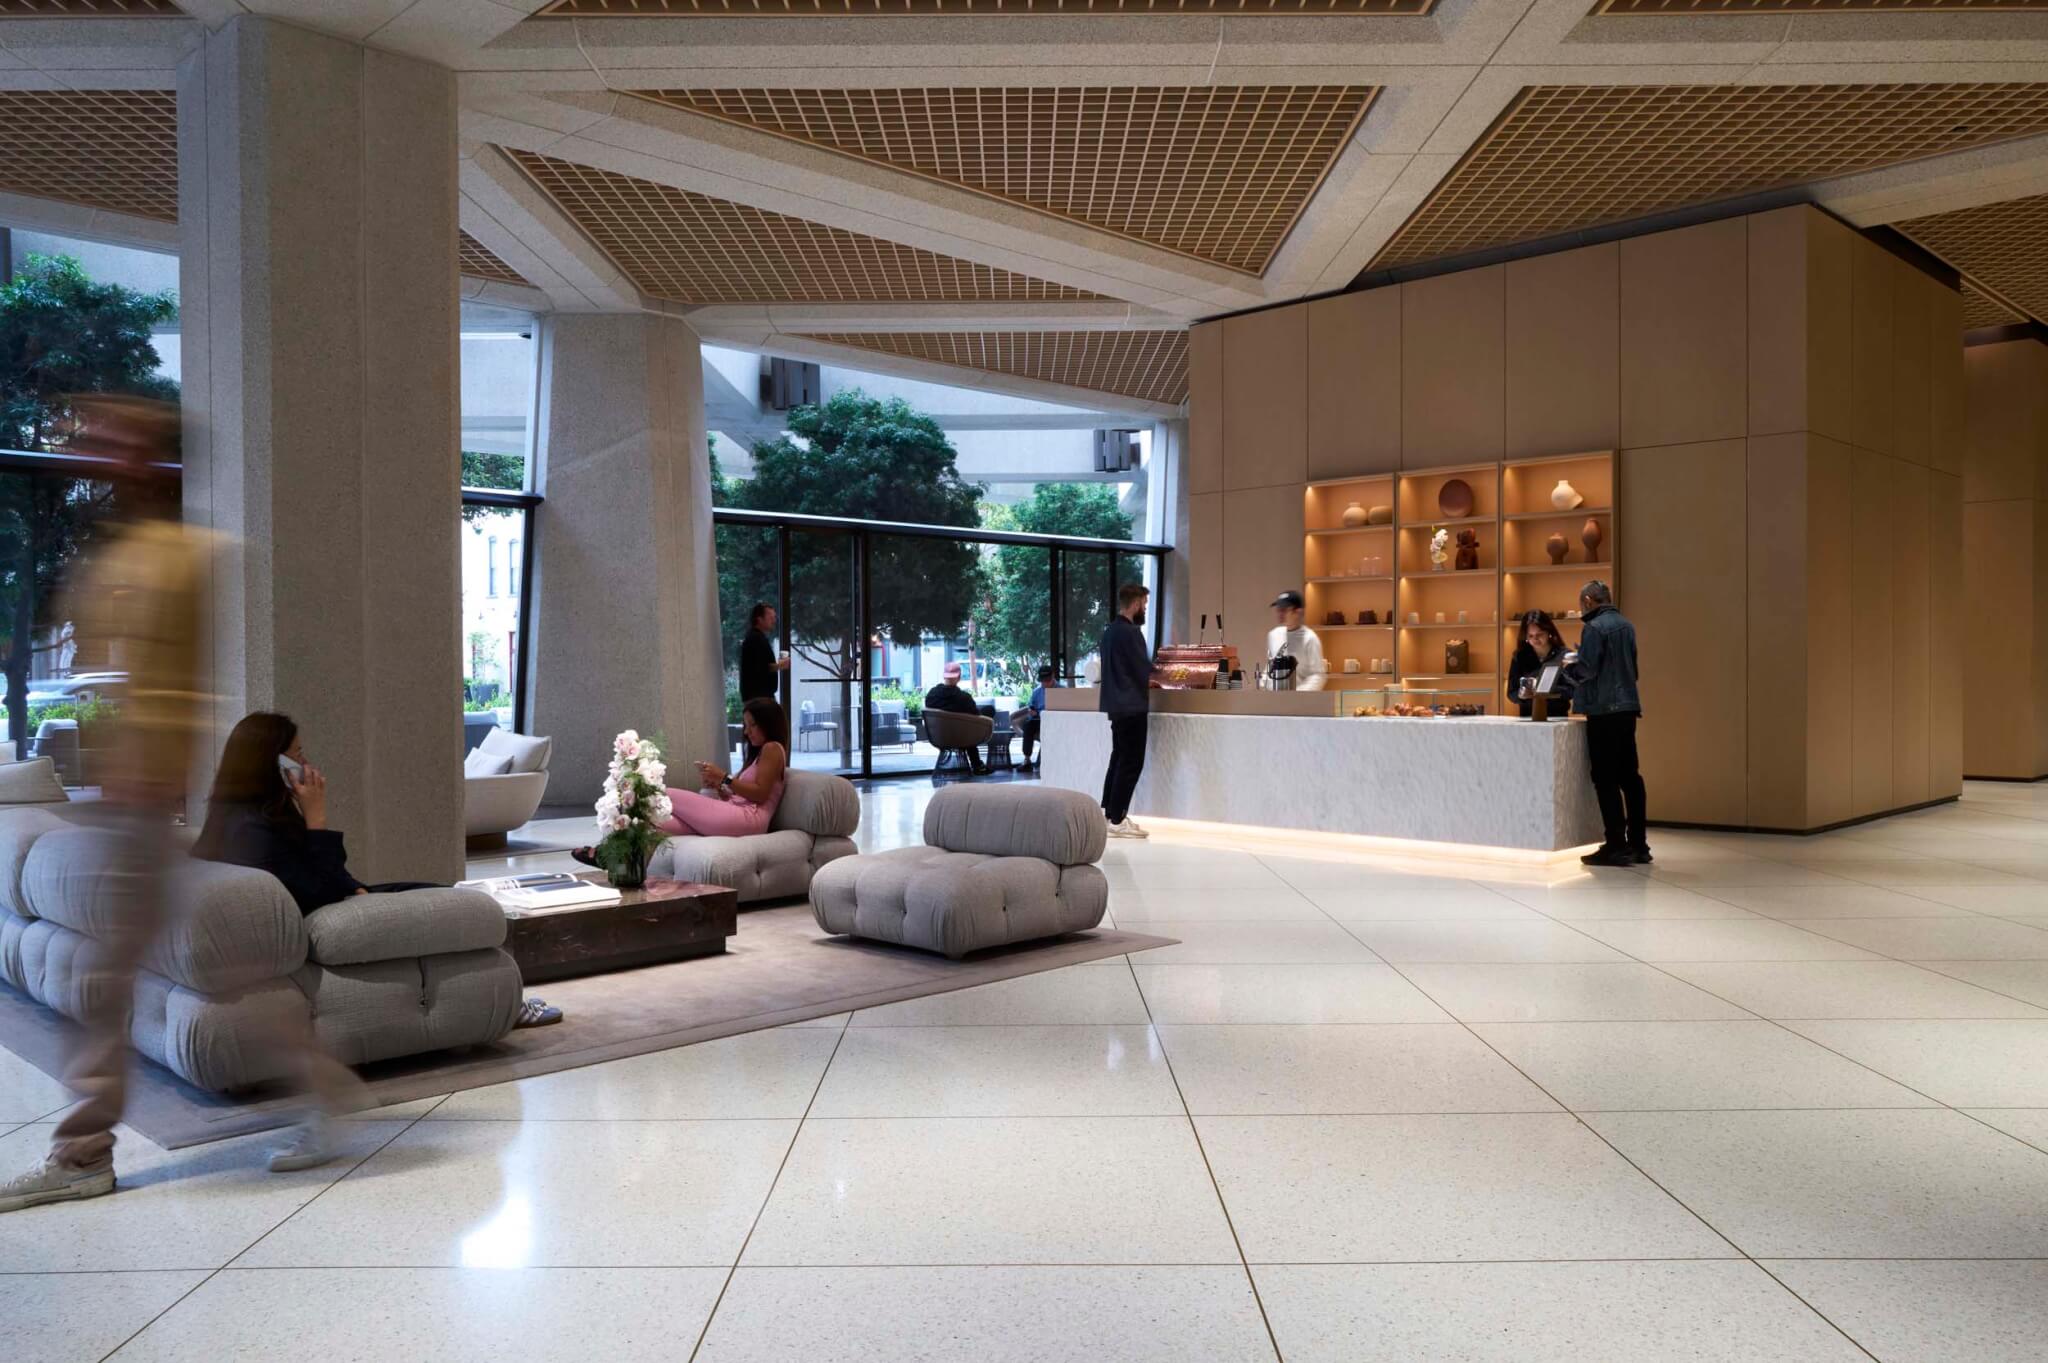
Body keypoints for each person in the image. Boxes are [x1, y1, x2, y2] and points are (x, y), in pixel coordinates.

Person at [0, 396, 359, 1213]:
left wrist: (146, 788)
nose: (91, 449)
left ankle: (83, 1150)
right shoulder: (118, 556)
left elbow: (170, 691)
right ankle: (323, 1087)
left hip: (138, 807)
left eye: (111, 439)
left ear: (147, 458)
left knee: (108, 983)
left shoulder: (179, 557)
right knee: (205, 973)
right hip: (123, 808)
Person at [193, 712, 563, 1027]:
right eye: (298, 754)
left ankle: (500, 999)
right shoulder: (255, 828)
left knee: (445, 893)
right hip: (321, 910)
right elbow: (314, 886)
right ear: (275, 764)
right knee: (467, 906)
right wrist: (317, 816)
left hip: (334, 898)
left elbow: (318, 874)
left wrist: (354, 887)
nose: (306, 763)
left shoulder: (237, 816)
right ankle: (508, 1006)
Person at [1565, 581, 1648, 868]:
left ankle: (1615, 844)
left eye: (1581, 602)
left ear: (1589, 600)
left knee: (1605, 778)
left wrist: (1570, 667)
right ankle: (1639, 844)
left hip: (1603, 710)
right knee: (1630, 777)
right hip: (1627, 707)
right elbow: (1632, 669)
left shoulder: (1594, 628)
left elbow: (1588, 668)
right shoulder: (1627, 626)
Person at [668, 697, 790, 837]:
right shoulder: (759, 755)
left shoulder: (772, 748)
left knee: (665, 795)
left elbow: (760, 794)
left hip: (750, 818)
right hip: (737, 812)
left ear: (769, 723)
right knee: (658, 823)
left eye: (753, 725)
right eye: (745, 725)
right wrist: (719, 787)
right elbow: (743, 795)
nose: (746, 732)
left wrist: (724, 777)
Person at [1098, 582, 1155, 839]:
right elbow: (1145, 670)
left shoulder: (1108, 632)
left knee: (1118, 758)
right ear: (1134, 604)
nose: (1144, 608)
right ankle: (1118, 818)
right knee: (1131, 762)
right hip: (1132, 705)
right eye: (1144, 604)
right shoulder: (1132, 633)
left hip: (1115, 706)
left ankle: (1108, 813)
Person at [737, 603, 787, 765]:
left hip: (757, 695)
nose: (774, 620)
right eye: (771, 617)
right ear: (759, 619)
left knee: (756, 737)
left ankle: (758, 767)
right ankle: (763, 767)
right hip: (759, 698)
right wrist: (781, 665)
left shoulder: (754, 638)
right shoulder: (755, 639)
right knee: (762, 735)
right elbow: (760, 668)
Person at [1506, 609, 1576, 718]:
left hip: (1557, 719)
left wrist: (1546, 690)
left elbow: (1572, 690)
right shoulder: (1519, 657)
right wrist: (1521, 695)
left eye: (1539, 634)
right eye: (1530, 636)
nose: (1535, 639)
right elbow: (1511, 693)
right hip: (1528, 719)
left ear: (1549, 633)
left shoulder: (1564, 656)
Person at [924, 660, 989, 775]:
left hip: (940, 736)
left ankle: (977, 764)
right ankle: (977, 765)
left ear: (944, 676)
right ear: (959, 677)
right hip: (963, 736)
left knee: (967, 727)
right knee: (985, 713)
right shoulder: (964, 698)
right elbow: (976, 715)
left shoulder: (932, 695)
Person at [1265, 590, 1327, 691]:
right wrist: (1268, 686)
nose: (1279, 613)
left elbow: (1318, 675)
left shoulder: (1309, 638)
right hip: (1276, 700)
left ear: (1298, 612)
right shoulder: (1273, 635)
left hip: (1302, 701)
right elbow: (1270, 667)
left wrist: (1297, 694)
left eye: (1284, 610)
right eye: (1278, 609)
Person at [1017, 664, 1057, 771]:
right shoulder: (1037, 692)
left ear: (1053, 676)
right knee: (1028, 726)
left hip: (1056, 720)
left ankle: (1045, 761)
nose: (1045, 683)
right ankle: (1027, 759)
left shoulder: (1062, 690)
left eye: (1047, 680)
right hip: (1039, 719)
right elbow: (1031, 706)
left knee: (1052, 729)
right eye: (1043, 681)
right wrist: (1031, 711)